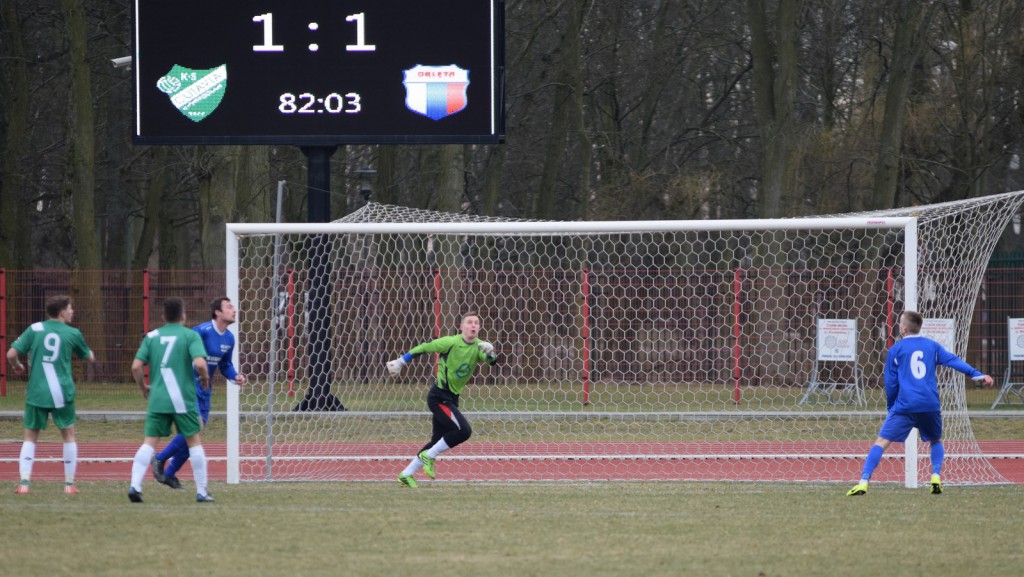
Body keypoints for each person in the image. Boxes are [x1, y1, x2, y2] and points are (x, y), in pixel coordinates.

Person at [847, 311, 993, 496]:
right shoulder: (932, 346)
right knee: (936, 440)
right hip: (929, 404)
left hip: (905, 405)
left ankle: (863, 482)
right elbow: (953, 360)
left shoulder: (896, 350)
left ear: (904, 329)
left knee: (881, 442)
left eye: (900, 324)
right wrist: (978, 375)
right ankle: (935, 477)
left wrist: (891, 406)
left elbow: (891, 383)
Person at [387, 312, 497, 488]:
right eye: (469, 322)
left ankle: (406, 474)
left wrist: (490, 352)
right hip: (439, 397)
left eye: (476, 322)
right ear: (461, 326)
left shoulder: (479, 346)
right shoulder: (450, 342)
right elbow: (424, 347)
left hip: (451, 399)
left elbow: (491, 362)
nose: (473, 325)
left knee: (437, 441)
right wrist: (401, 361)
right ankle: (428, 456)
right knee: (463, 431)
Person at [151, 297, 246, 489]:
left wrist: (235, 376)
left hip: (205, 388)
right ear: (217, 312)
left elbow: (225, 364)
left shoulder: (229, 338)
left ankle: (169, 474)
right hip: (188, 385)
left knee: (195, 433)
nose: (234, 310)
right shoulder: (201, 331)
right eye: (229, 307)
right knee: (195, 427)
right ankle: (159, 459)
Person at [128, 297, 215, 503]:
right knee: (194, 441)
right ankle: (202, 492)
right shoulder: (190, 336)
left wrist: (143, 387)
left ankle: (135, 486)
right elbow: (200, 363)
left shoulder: (152, 336)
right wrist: (205, 378)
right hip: (183, 398)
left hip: (158, 398)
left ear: (163, 317)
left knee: (149, 443)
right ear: (183, 315)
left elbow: (136, 367)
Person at [6, 295, 95, 495]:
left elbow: (11, 354)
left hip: (37, 391)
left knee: (30, 436)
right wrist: (87, 352)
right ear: (62, 312)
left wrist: (18, 366)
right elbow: (89, 357)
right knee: (68, 435)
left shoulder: (35, 328)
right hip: (61, 391)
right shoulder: (73, 333)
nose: (72, 312)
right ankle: (69, 485)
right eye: (70, 308)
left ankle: (24, 483)